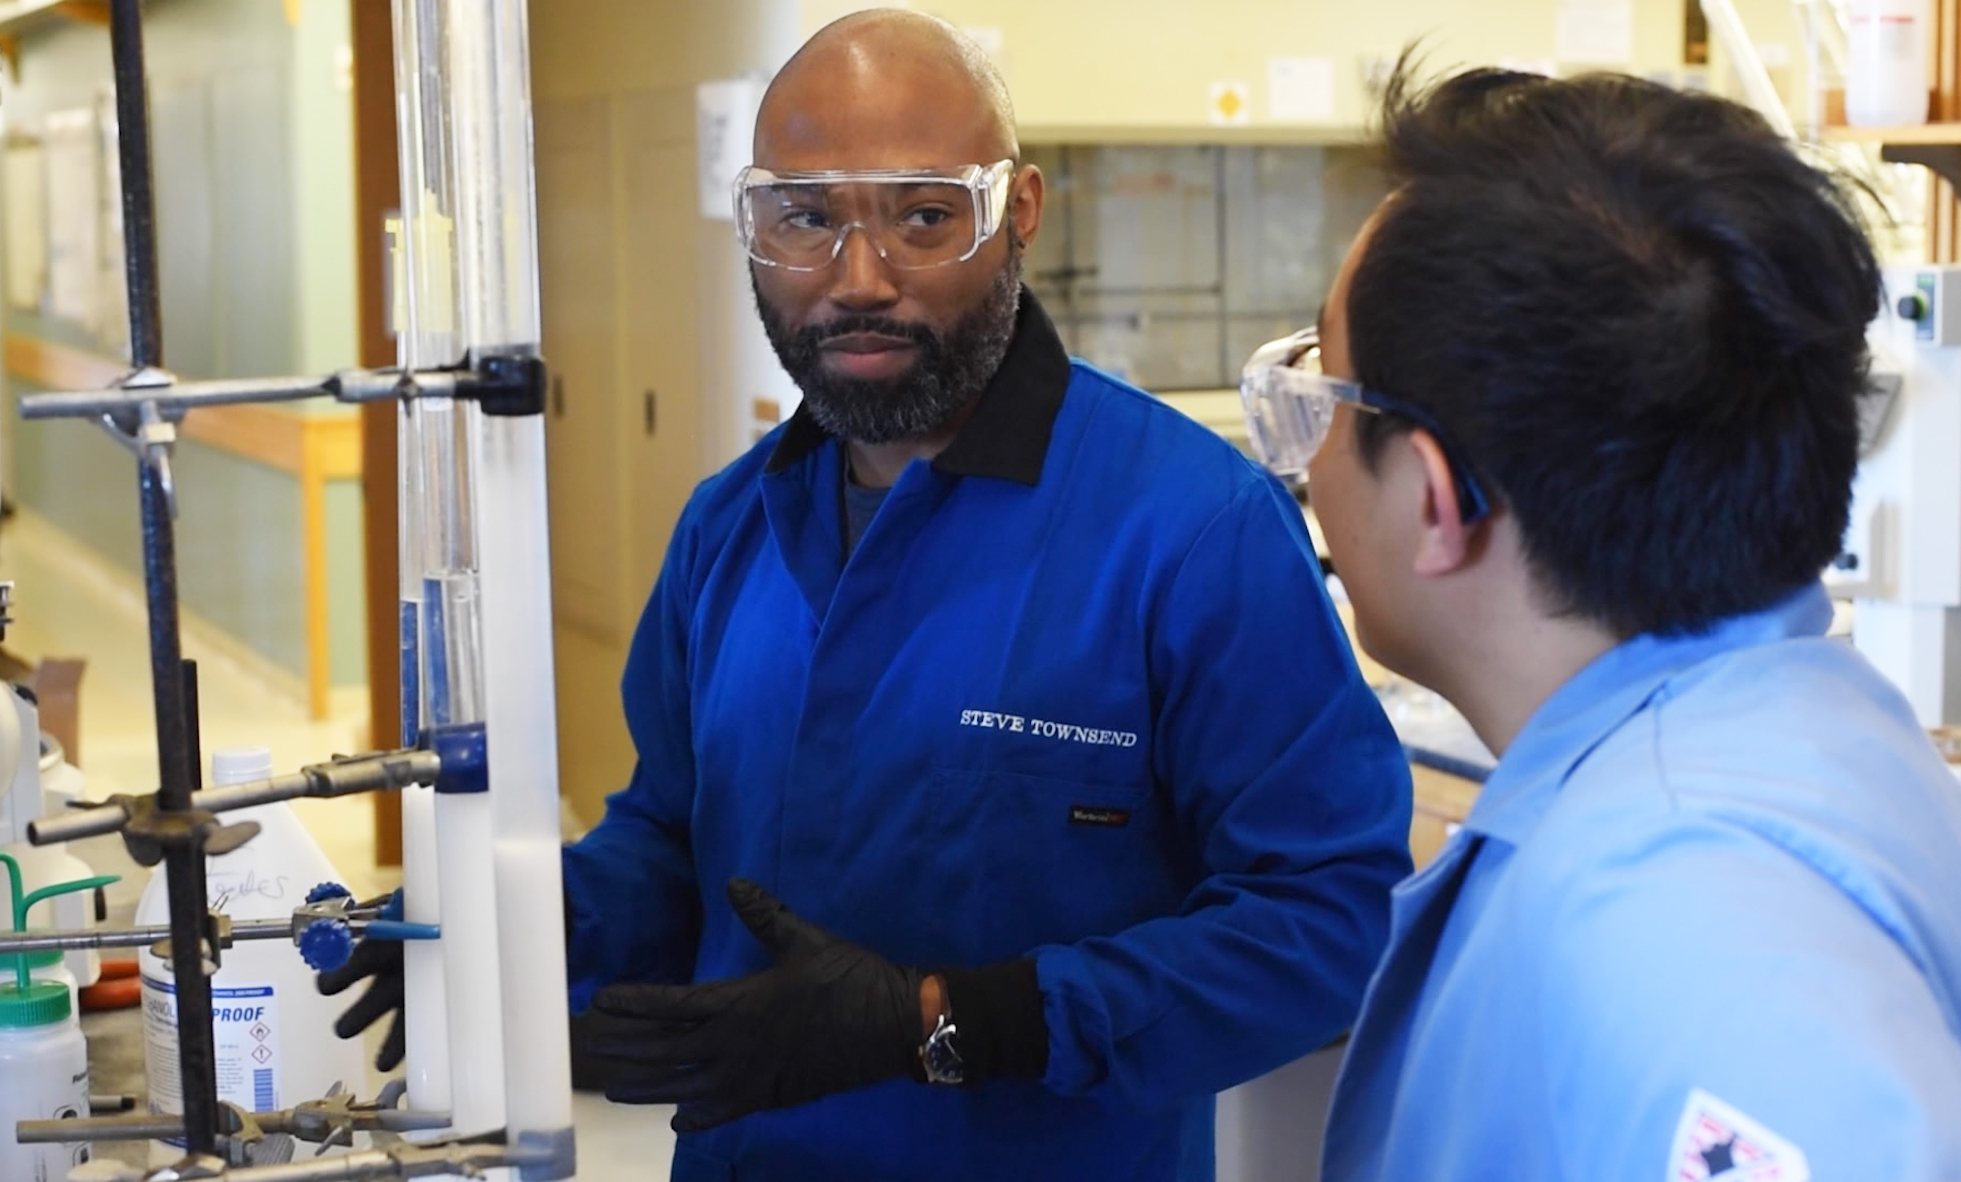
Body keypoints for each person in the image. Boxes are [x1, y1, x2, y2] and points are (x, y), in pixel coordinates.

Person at [319, 8, 1413, 1181]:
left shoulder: (1190, 531)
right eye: (804, 217)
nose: (857, 280)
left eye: (924, 216)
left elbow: (1328, 923)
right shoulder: (727, 528)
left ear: (1019, 212)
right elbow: (675, 839)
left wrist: (943, 1020)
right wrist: (526, 924)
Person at [1233, 61, 1961, 1182]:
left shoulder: (1669, 895)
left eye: (1324, 401)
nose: (1305, 459)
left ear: (1435, 501)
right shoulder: (1797, 726)